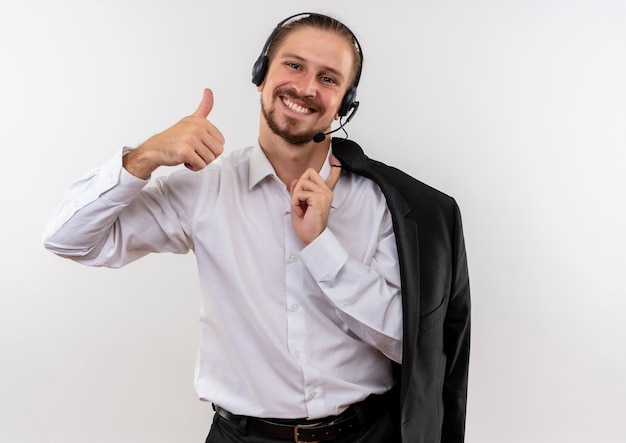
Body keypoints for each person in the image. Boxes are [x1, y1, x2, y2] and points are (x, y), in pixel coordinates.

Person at [43, 12, 470, 443]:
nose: (305, 88)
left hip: (368, 434)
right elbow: (68, 240)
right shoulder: (205, 186)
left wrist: (322, 246)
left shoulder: (385, 203)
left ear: (345, 103)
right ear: (261, 75)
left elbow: (410, 343)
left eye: (328, 79)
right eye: (294, 65)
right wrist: (147, 156)